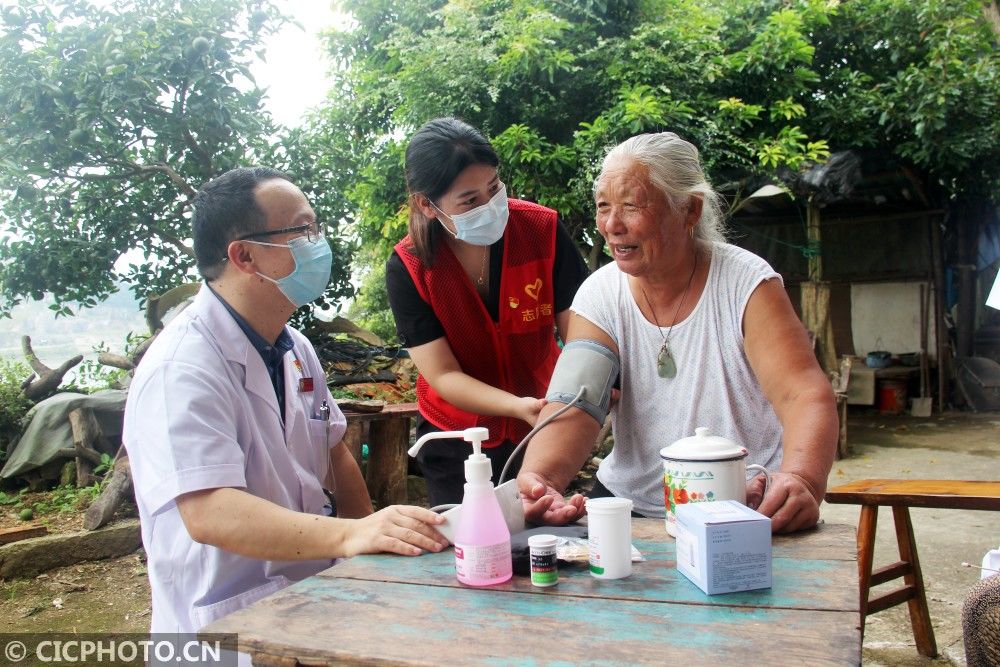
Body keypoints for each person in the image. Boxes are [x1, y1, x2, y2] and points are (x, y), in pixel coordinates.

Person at [124, 167, 447, 638]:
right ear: (245, 256)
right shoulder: (182, 367)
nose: (317, 242)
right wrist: (350, 534)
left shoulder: (294, 347)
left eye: (315, 227)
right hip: (223, 621)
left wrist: (373, 557)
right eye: (301, 230)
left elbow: (335, 450)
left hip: (311, 599)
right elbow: (209, 510)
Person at [516, 132, 839, 533]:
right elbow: (577, 403)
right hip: (626, 506)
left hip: (745, 504)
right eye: (604, 207)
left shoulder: (746, 283)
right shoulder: (599, 294)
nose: (612, 226)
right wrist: (541, 482)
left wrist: (803, 480)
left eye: (631, 206)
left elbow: (802, 393)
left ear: (689, 210)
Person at [386, 117, 589, 507]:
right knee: (474, 550)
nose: (491, 205)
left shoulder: (541, 229)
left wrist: (586, 391)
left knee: (546, 537)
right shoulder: (410, 267)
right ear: (426, 205)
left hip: (545, 421)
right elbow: (443, 374)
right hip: (458, 435)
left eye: (494, 187)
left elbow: (581, 334)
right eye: (470, 200)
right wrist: (515, 405)